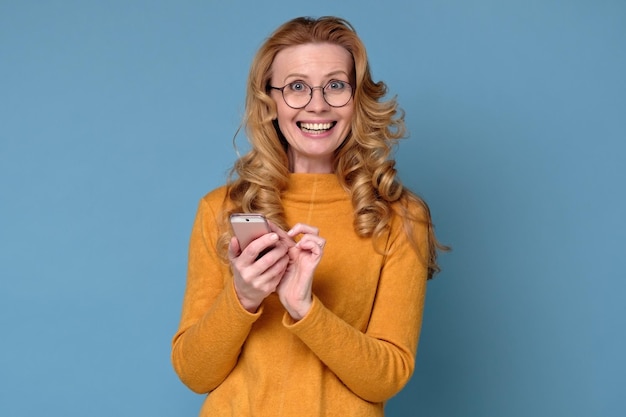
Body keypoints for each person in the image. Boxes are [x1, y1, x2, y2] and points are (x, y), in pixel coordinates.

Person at [171, 15, 446, 416]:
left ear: (357, 99)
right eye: (296, 87)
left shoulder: (402, 216)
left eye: (335, 85)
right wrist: (244, 297)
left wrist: (305, 309)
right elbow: (195, 374)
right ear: (270, 101)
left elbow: (387, 377)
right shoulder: (221, 208)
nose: (317, 104)